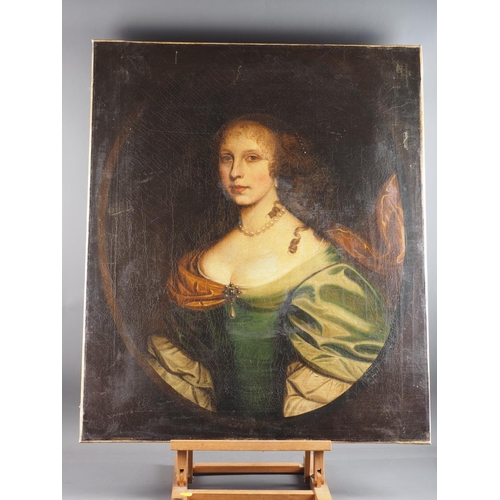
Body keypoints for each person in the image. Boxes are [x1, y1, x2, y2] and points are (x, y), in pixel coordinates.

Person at [146, 114, 391, 419]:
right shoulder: (204, 259)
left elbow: (346, 370)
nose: (236, 172)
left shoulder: (317, 262)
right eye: (227, 158)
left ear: (279, 168)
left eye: (252, 158)